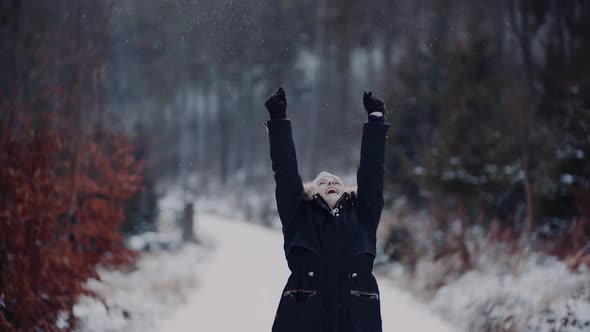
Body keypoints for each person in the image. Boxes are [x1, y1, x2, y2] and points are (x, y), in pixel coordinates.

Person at [264, 87, 390, 332]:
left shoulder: (363, 216)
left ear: (346, 192)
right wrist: (278, 121)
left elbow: (373, 174)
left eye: (336, 182)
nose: (331, 182)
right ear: (312, 193)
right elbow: (285, 173)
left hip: (356, 320)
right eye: (322, 183)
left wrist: (375, 120)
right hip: (305, 319)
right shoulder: (299, 217)